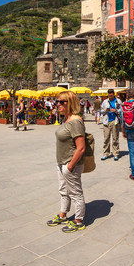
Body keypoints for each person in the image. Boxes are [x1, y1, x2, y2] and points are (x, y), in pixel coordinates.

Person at [47, 92, 87, 233]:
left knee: (75, 193)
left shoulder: (75, 121)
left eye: (61, 102)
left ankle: (78, 220)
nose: (57, 104)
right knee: (63, 190)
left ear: (69, 103)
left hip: (71, 164)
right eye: (56, 101)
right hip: (62, 162)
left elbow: (81, 148)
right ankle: (63, 215)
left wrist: (70, 167)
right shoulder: (67, 119)